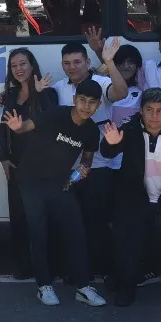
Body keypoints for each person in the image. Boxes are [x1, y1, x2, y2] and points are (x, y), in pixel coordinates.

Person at [0, 78, 108, 307]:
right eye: (82, 100)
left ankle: (83, 286)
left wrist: (80, 173)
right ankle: (44, 286)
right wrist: (18, 127)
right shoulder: (57, 114)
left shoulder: (91, 131)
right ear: (74, 99)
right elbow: (28, 125)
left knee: (77, 232)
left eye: (91, 103)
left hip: (60, 183)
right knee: (39, 232)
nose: (86, 107)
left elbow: (87, 160)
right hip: (31, 180)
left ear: (98, 105)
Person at [100, 87, 161, 308]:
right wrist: (111, 142)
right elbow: (108, 152)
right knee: (127, 247)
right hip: (135, 200)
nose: (154, 116)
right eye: (149, 110)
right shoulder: (130, 127)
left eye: (160, 110)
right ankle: (126, 289)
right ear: (141, 110)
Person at [53, 41, 126, 281]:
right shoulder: (58, 88)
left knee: (97, 222)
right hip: (67, 168)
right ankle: (75, 270)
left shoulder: (102, 83)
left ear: (87, 62)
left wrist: (109, 63)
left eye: (77, 62)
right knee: (72, 222)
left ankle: (101, 269)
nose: (72, 67)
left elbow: (121, 92)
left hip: (99, 166)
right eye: (66, 63)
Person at [0, 48, 56, 279]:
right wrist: (3, 158)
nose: (19, 69)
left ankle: (47, 268)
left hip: (41, 163)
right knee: (19, 217)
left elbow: (50, 122)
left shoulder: (47, 92)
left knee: (41, 218)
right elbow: (4, 128)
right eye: (14, 66)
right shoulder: (11, 96)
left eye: (23, 64)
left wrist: (39, 95)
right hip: (17, 163)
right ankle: (23, 266)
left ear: (32, 66)